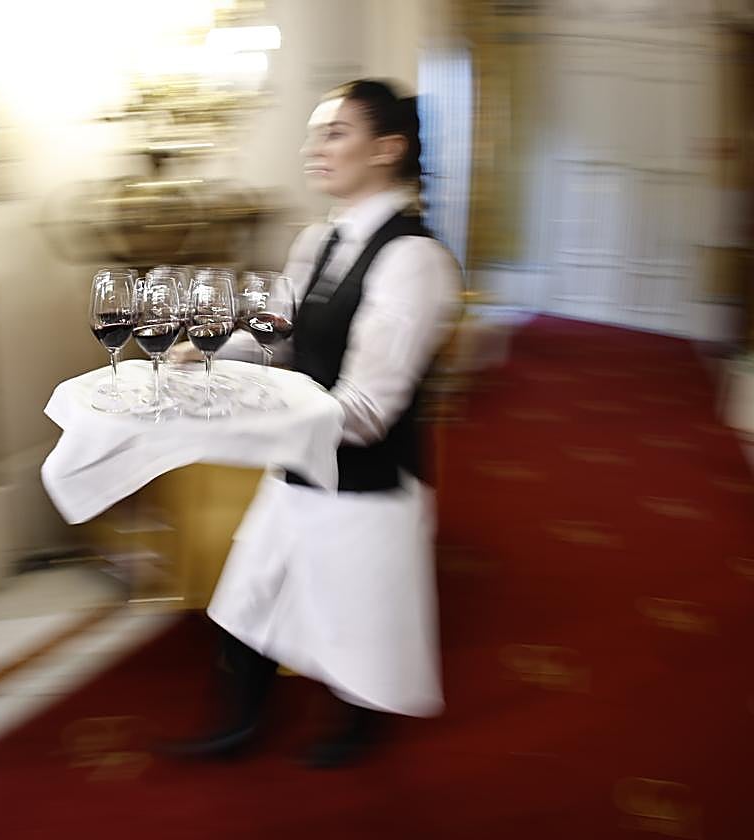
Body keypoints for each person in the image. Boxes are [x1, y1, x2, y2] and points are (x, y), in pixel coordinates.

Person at [168, 79, 463, 768]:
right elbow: (279, 338)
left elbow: (365, 412)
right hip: (304, 458)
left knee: (358, 621)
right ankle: (238, 723)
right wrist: (204, 351)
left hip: (369, 477)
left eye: (335, 132)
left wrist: (249, 413)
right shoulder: (315, 241)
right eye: (315, 133)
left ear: (388, 149)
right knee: (253, 590)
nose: (314, 148)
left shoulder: (415, 261)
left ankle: (360, 729)